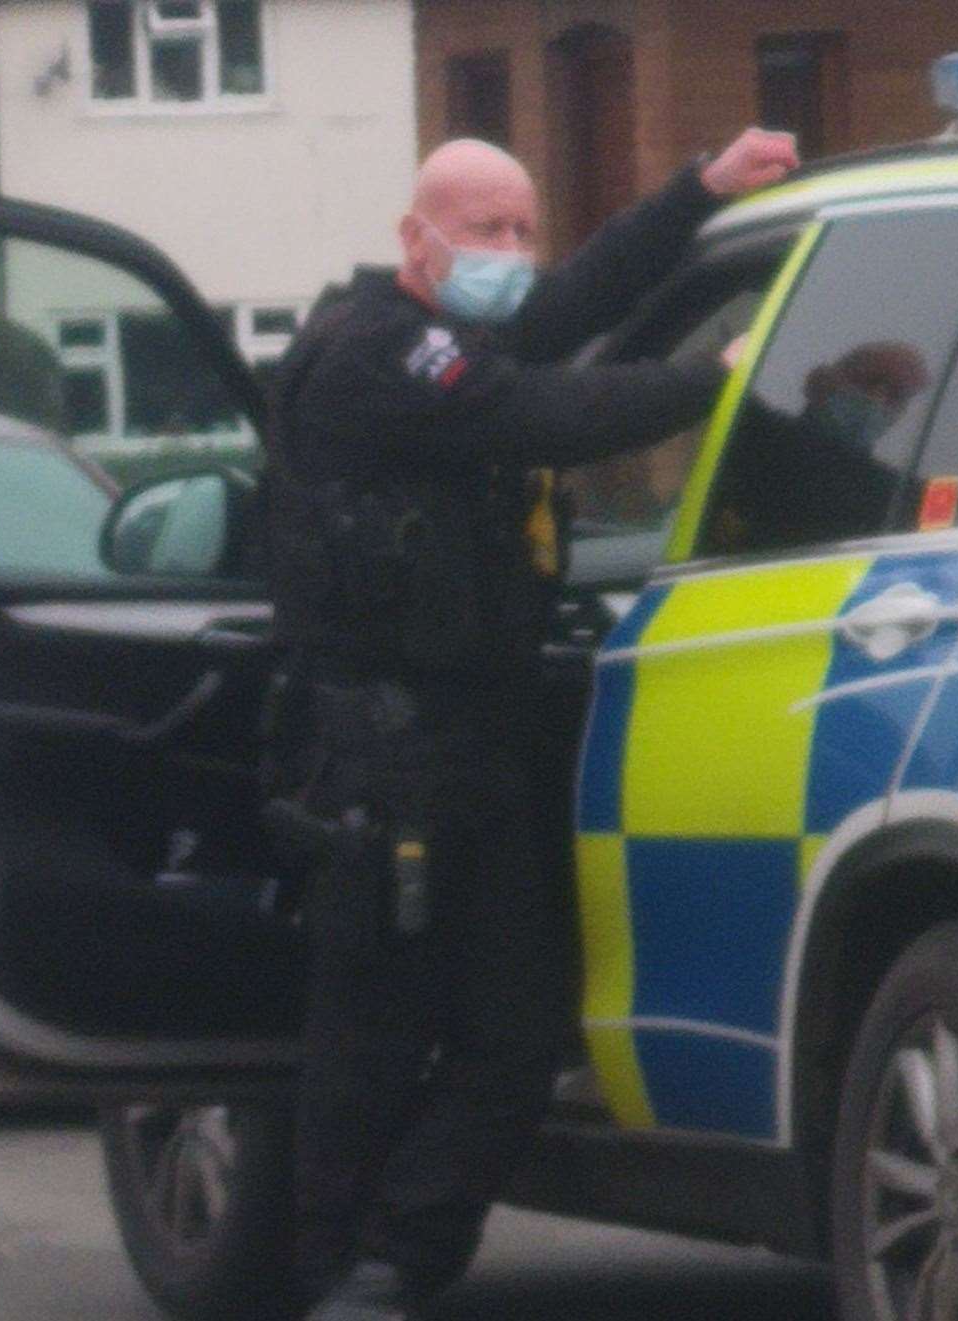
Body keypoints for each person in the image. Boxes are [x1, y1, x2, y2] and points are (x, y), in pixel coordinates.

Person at [266, 127, 800, 1321]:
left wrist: (696, 191)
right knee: (368, 1041)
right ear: (415, 237)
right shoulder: (374, 356)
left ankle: (400, 1261)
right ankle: (333, 1278)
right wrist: (717, 377)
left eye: (521, 228)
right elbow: (548, 410)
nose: (510, 252)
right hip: (377, 762)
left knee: (515, 1036)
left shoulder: (457, 334)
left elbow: (574, 303)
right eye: (483, 229)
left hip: (481, 745)